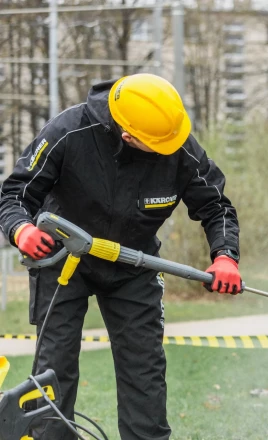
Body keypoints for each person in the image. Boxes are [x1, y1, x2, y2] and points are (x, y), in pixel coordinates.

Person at [0, 73, 241, 439]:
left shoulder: (174, 144)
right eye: (159, 145)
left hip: (134, 264)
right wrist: (22, 230)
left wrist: (225, 255)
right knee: (55, 369)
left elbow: (216, 206)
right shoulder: (68, 132)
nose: (170, 150)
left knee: (143, 369)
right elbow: (14, 194)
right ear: (128, 136)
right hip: (63, 260)